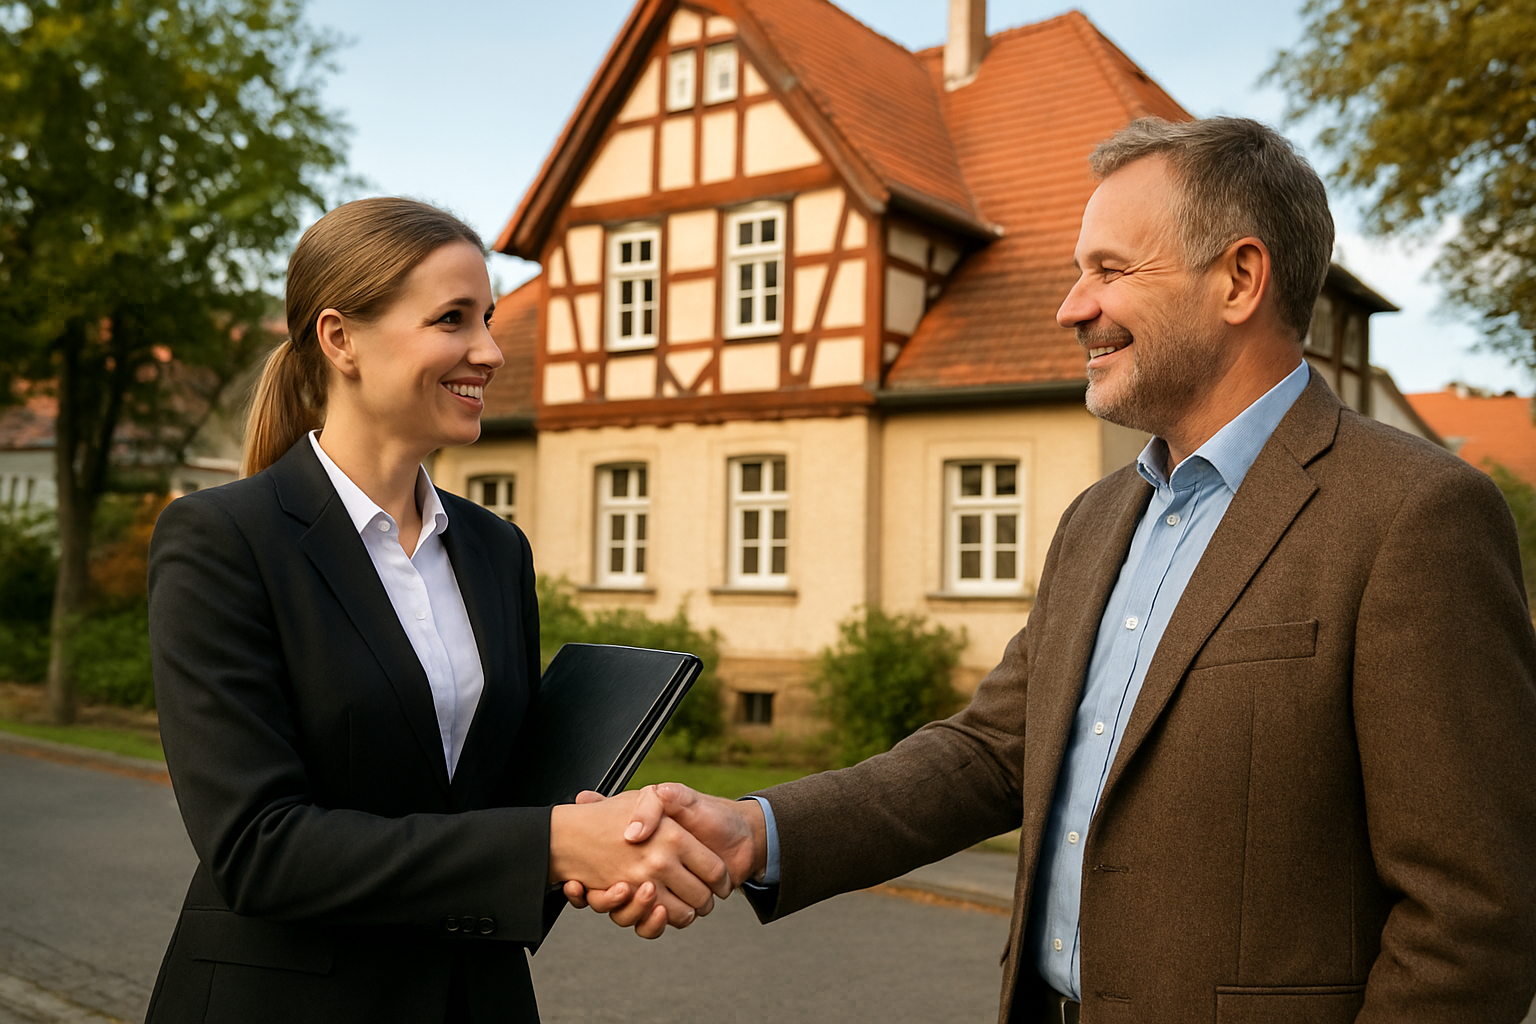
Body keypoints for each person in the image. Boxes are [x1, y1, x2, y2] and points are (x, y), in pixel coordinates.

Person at [574, 118, 1536, 1023]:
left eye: (1109, 270)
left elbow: (1472, 914)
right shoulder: (1098, 519)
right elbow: (990, 754)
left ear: (1240, 278)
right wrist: (754, 830)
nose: (1072, 307)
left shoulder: (1413, 514)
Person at [145, 197, 727, 1024]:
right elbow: (256, 850)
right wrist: (553, 843)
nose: (489, 350)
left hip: (474, 998)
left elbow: (498, 810)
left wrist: (605, 850)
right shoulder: (219, 540)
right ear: (340, 338)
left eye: (487, 318)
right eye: (453, 320)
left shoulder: (496, 549)